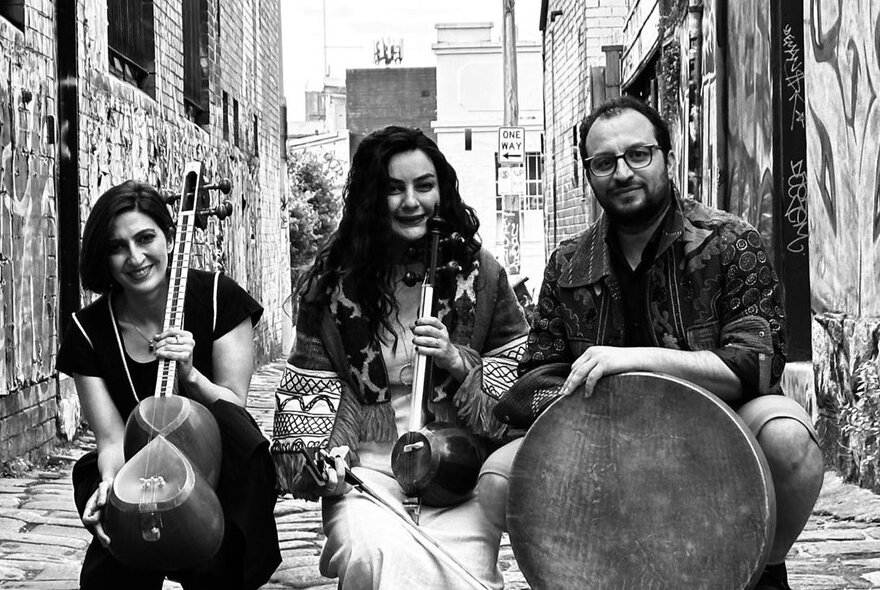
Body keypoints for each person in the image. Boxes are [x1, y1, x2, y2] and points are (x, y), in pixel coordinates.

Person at [493, 96, 824, 590]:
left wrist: (636, 363)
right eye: (604, 162)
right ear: (589, 173)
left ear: (667, 157)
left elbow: (757, 365)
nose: (622, 172)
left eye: (638, 155)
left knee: (789, 439)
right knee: (500, 478)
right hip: (603, 434)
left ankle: (760, 569)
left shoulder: (730, 242)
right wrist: (593, 404)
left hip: (720, 427)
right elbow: (532, 380)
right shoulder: (568, 264)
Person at [270, 125, 529, 590]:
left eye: (424, 186)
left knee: (463, 575)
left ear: (441, 191)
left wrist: (456, 360)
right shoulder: (331, 287)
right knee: (372, 555)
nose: (412, 201)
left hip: (458, 471)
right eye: (394, 188)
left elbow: (523, 390)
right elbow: (307, 400)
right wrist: (325, 469)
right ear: (373, 197)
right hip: (369, 475)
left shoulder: (484, 275)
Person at [56, 181, 281, 590]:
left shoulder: (218, 297)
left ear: (171, 236)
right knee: (113, 568)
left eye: (146, 238)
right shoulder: (86, 331)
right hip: (134, 462)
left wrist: (192, 375)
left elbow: (235, 409)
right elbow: (110, 440)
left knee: (216, 564)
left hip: (218, 462)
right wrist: (110, 486)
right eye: (117, 247)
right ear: (103, 257)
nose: (136, 258)